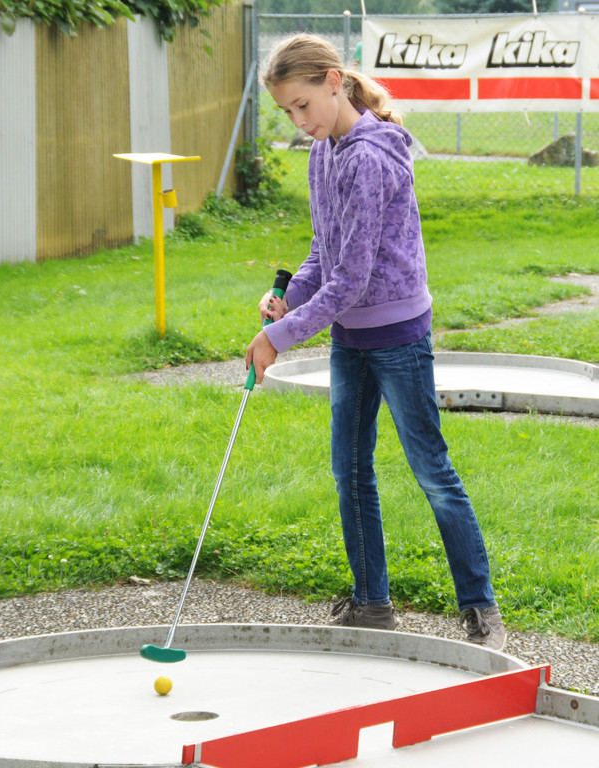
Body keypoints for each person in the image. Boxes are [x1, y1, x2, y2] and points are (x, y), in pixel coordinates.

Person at [244, 33, 506, 651]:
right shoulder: (324, 151)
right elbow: (325, 250)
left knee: (431, 470)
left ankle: (480, 608)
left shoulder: (370, 156)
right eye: (287, 111)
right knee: (350, 469)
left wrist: (278, 337)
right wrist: (290, 297)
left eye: (303, 104)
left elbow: (354, 278)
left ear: (334, 82)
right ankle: (371, 603)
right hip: (350, 336)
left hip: (397, 336)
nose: (298, 121)